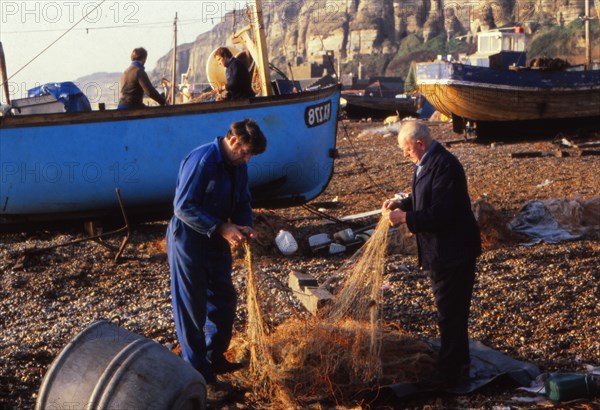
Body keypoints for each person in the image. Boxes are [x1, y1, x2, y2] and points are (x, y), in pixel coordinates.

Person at [166, 119, 267, 393]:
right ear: (233, 141)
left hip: (218, 239)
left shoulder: (237, 166)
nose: (246, 160)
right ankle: (200, 375)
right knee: (192, 308)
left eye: (250, 156)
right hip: (188, 240)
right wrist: (222, 227)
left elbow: (243, 201)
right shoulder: (202, 161)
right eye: (245, 152)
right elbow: (183, 206)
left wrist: (244, 225)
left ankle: (214, 357)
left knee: (223, 299)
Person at [383, 119, 481, 387]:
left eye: (406, 149)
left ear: (419, 143)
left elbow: (441, 213)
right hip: (440, 251)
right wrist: (403, 202)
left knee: (450, 313)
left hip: (453, 251)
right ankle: (457, 362)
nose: (405, 154)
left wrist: (405, 218)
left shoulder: (445, 165)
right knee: (449, 311)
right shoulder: (426, 163)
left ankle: (450, 372)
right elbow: (423, 197)